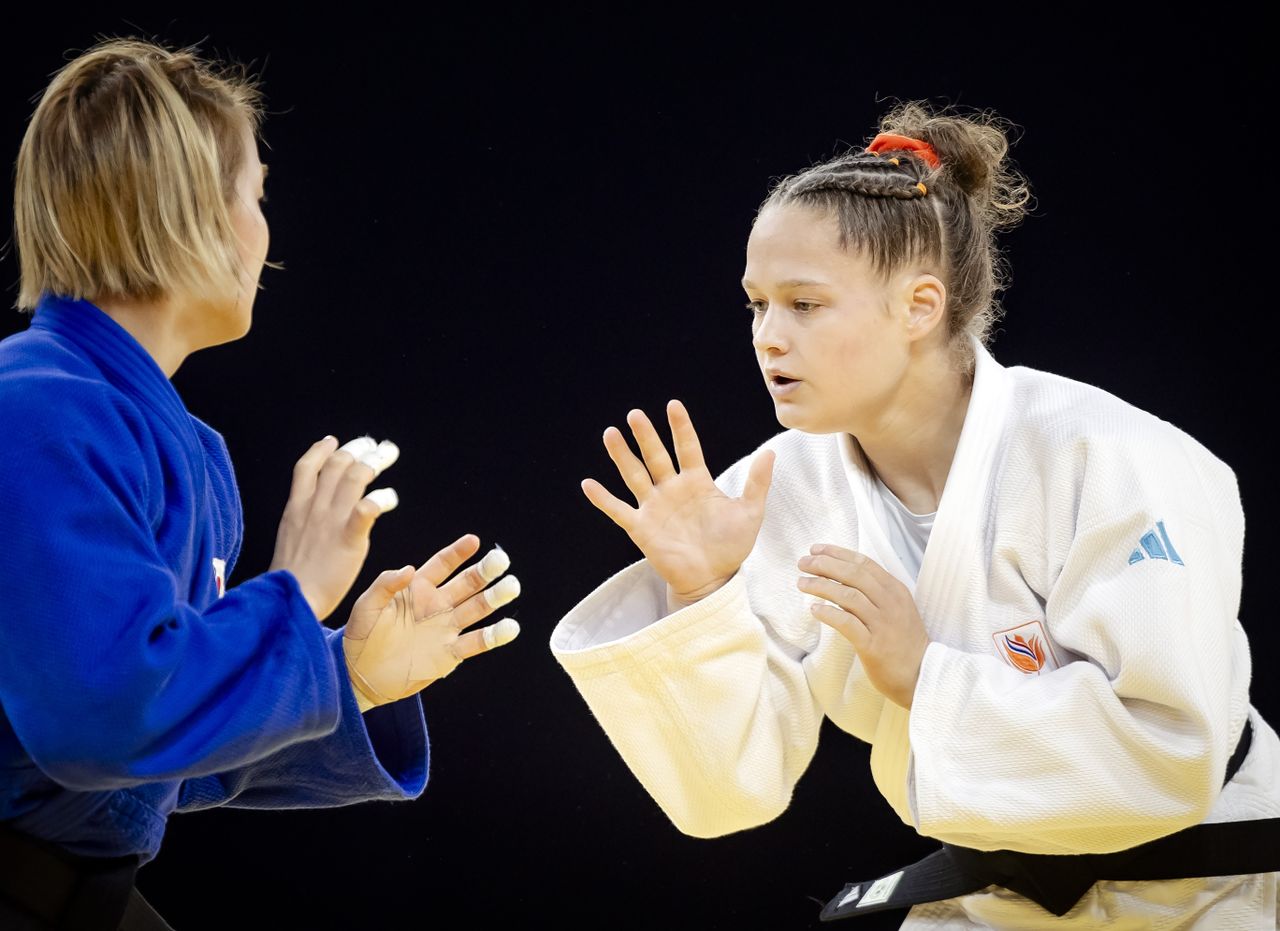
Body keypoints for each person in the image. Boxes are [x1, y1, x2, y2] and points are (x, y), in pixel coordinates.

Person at [549, 102, 1280, 927]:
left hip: (1213, 888)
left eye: (805, 303)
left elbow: (1170, 755)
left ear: (920, 306)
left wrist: (923, 672)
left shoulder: (1111, 456)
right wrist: (700, 594)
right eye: (756, 304)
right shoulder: (780, 488)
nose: (767, 337)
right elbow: (725, 797)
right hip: (995, 899)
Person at [0, 38, 521, 930]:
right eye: (257, 195)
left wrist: (343, 672)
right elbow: (103, 720)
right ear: (190, 209)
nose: (264, 233)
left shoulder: (169, 442)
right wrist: (297, 587)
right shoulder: (33, 412)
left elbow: (157, 761)